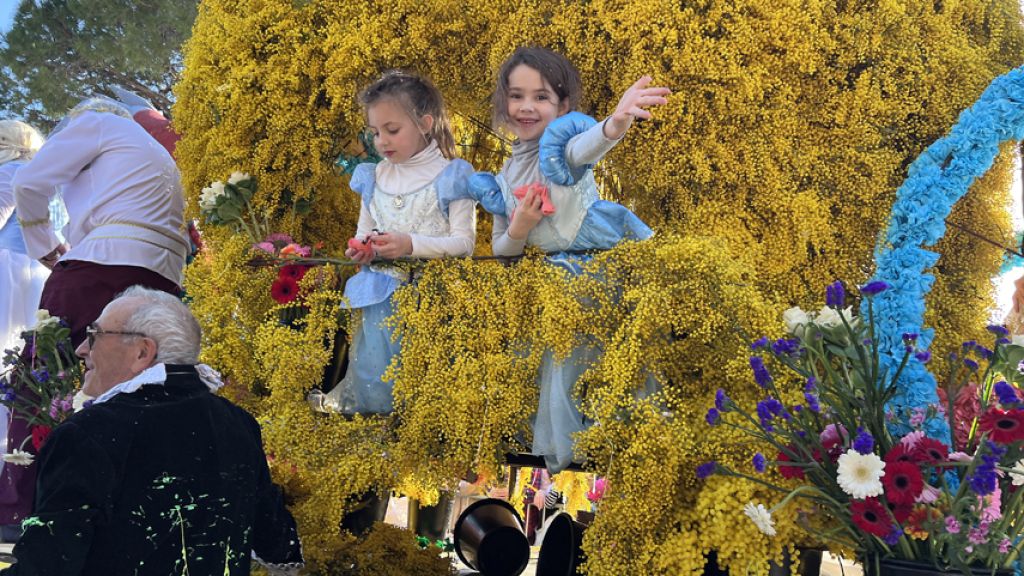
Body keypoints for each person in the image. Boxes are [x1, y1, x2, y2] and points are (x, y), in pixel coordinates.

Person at [0, 286, 304, 575]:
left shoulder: (86, 436)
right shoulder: (238, 423)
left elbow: (45, 567)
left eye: (94, 335)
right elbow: (278, 546)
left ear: (142, 352)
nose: (81, 349)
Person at [469, 46, 670, 472]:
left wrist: (616, 122)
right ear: (504, 102)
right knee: (549, 359)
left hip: (590, 278)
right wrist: (520, 226)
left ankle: (603, 432)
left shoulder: (562, 147)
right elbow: (504, 251)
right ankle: (568, 435)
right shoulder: (505, 177)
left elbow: (588, 147)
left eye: (541, 97)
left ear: (562, 106)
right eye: (517, 95)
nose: (527, 107)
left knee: (589, 359)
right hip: (547, 284)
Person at [3, 97, 187, 529]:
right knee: (134, 390)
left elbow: (29, 185)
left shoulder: (96, 123)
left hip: (102, 263)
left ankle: (18, 506)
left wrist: (45, 248)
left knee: (40, 375)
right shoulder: (152, 150)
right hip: (166, 275)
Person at [311, 70, 476, 415]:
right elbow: (363, 231)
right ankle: (379, 448)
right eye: (374, 132)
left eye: (392, 130)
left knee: (423, 384)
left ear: (425, 123)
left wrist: (410, 245)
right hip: (380, 299)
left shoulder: (453, 174)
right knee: (376, 375)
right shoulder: (374, 175)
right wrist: (362, 249)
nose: (381, 141)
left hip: (431, 299)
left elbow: (464, 244)